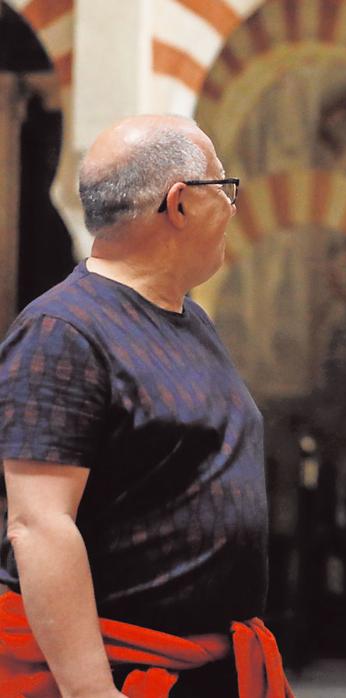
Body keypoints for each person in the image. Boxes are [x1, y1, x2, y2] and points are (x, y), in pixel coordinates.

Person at [0, 115, 290, 696]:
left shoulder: (191, 319)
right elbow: (38, 524)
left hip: (208, 664)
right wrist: (92, 691)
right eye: (223, 188)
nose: (233, 207)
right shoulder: (63, 329)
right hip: (122, 670)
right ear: (179, 203)